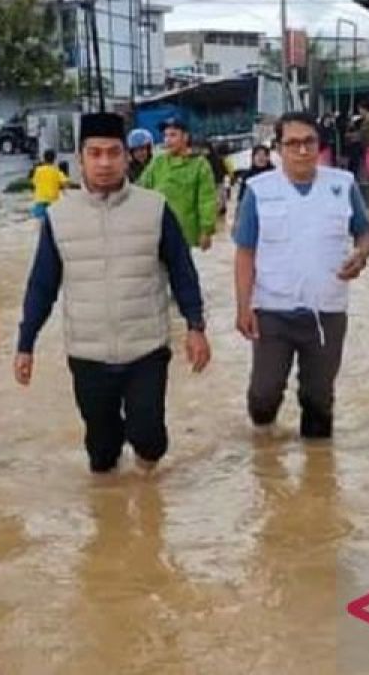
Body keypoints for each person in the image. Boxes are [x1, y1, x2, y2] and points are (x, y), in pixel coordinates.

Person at [14, 112, 212, 474]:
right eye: (95, 153)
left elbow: (183, 272)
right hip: (87, 352)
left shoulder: (154, 209)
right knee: (102, 457)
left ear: (127, 156)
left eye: (113, 152)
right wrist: (25, 344)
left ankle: (150, 504)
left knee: (150, 440)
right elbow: (42, 286)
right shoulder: (59, 217)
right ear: (80, 159)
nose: (104, 162)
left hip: (146, 348)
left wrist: (196, 326)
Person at [232, 112, 369, 440]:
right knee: (264, 394)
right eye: (292, 143)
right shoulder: (258, 190)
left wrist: (362, 254)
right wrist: (243, 307)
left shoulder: (343, 185)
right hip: (272, 312)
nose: (301, 150)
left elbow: (366, 232)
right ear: (278, 149)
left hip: (327, 312)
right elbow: (245, 253)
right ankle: (263, 441)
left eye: (308, 141)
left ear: (319, 144)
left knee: (319, 401)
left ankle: (319, 480)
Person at [138, 117, 218, 250]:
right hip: (157, 230)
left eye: (173, 135)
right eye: (165, 136)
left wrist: (206, 230)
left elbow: (207, 200)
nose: (167, 140)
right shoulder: (158, 162)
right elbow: (141, 189)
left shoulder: (199, 165)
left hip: (185, 235)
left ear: (185, 137)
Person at [30, 148, 69, 219]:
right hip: (52, 202)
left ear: (44, 158)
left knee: (40, 222)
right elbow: (65, 183)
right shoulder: (56, 171)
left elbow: (34, 183)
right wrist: (62, 189)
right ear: (54, 159)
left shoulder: (38, 170)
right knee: (52, 222)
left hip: (40, 200)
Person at [203, 141, 230, 223]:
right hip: (212, 184)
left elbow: (225, 171)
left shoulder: (215, 159)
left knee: (219, 203)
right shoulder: (202, 161)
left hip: (218, 183)